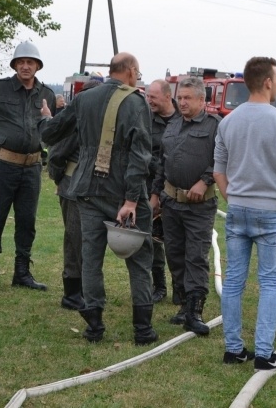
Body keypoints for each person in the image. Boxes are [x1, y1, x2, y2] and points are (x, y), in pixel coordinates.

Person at [40, 52, 158, 346]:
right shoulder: (136, 101)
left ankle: (94, 326)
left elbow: (52, 133)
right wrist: (131, 200)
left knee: (90, 258)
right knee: (140, 260)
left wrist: (44, 118)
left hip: (88, 191)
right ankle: (142, 330)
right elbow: (140, 155)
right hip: (125, 194)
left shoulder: (84, 98)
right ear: (130, 71)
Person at [214, 56, 276, 371]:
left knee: (234, 280)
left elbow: (218, 172)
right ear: (267, 82)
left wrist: (234, 197)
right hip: (272, 211)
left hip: (237, 209)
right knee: (269, 283)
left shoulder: (228, 122)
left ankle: (233, 348)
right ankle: (264, 353)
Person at [0, 42, 55, 291]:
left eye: (30, 62)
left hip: (31, 168)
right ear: (15, 65)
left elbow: (51, 131)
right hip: (1, 166)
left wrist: (49, 121)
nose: (26, 66)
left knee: (27, 221)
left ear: (38, 66)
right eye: (21, 62)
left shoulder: (46, 94)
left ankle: (22, 272)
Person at [151, 77, 220, 336]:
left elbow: (223, 159)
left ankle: (195, 311)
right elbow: (162, 162)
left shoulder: (215, 127)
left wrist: (205, 181)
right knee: (175, 255)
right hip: (171, 203)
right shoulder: (172, 125)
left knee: (196, 257)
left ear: (202, 100)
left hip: (199, 206)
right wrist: (155, 194)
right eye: (180, 97)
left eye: (188, 98)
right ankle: (182, 305)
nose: (182, 102)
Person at [46, 79, 102, 311]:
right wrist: (60, 180)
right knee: (75, 239)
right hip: (73, 186)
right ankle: (73, 293)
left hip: (93, 187)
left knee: (85, 240)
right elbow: (57, 154)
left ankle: (83, 290)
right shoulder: (76, 120)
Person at [145, 80, 179, 304]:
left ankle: (180, 289)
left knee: (177, 243)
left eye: (153, 97)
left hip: (178, 189)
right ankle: (159, 286)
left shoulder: (184, 119)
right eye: (148, 97)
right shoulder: (146, 120)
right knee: (153, 239)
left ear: (167, 97)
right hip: (151, 188)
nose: (149, 101)